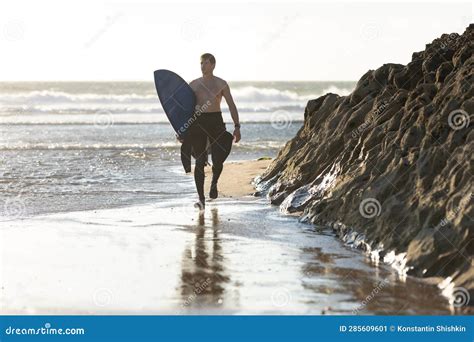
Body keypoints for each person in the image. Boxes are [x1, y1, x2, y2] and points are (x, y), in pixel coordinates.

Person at [186, 53, 241, 210]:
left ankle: (214, 182)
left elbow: (231, 105)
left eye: (205, 63)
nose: (202, 66)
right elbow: (185, 109)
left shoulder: (221, 84)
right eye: (201, 63)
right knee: (199, 161)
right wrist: (182, 130)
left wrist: (237, 127)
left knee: (218, 159)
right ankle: (201, 199)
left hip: (216, 122)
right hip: (198, 122)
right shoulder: (194, 84)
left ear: (213, 65)